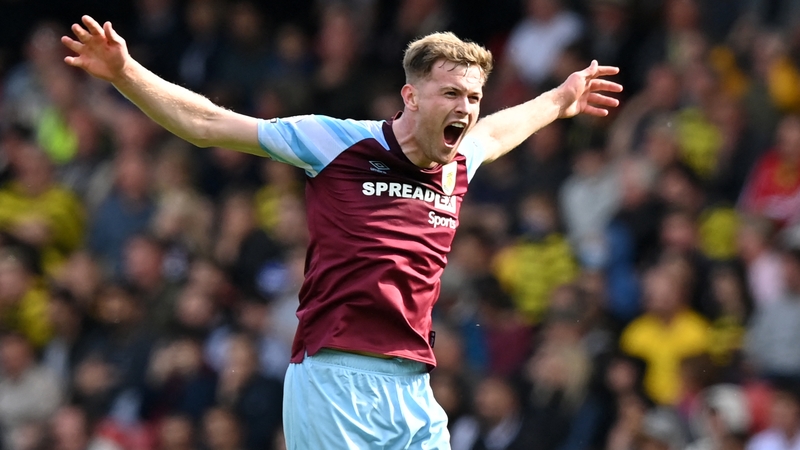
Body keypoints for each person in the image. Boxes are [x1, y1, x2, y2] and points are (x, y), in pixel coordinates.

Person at [62, 15, 622, 449]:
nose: (466, 109)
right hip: (334, 376)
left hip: (413, 384)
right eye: (451, 94)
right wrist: (125, 73)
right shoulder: (337, 142)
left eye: (473, 97)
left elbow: (507, 126)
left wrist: (562, 98)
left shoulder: (461, 159)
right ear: (411, 96)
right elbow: (208, 125)